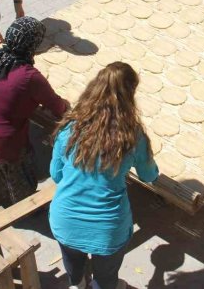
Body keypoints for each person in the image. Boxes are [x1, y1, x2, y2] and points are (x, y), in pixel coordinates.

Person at [49, 62, 160, 289]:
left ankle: (77, 284)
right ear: (130, 95)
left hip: (65, 220)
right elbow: (149, 175)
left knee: (74, 267)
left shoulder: (70, 128)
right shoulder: (133, 136)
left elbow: (56, 175)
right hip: (108, 229)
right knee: (106, 279)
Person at [0, 16, 68, 213]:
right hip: (1, 141)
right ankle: (23, 209)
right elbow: (58, 108)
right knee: (17, 175)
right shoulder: (29, 76)